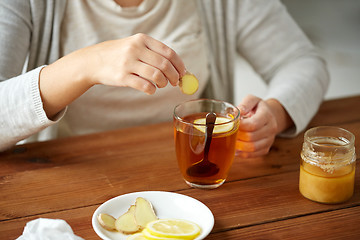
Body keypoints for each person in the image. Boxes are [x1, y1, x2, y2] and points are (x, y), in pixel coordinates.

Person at [0, 0, 329, 157]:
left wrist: (274, 112)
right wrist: (86, 64)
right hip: (72, 174)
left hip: (193, 171)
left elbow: (302, 62)